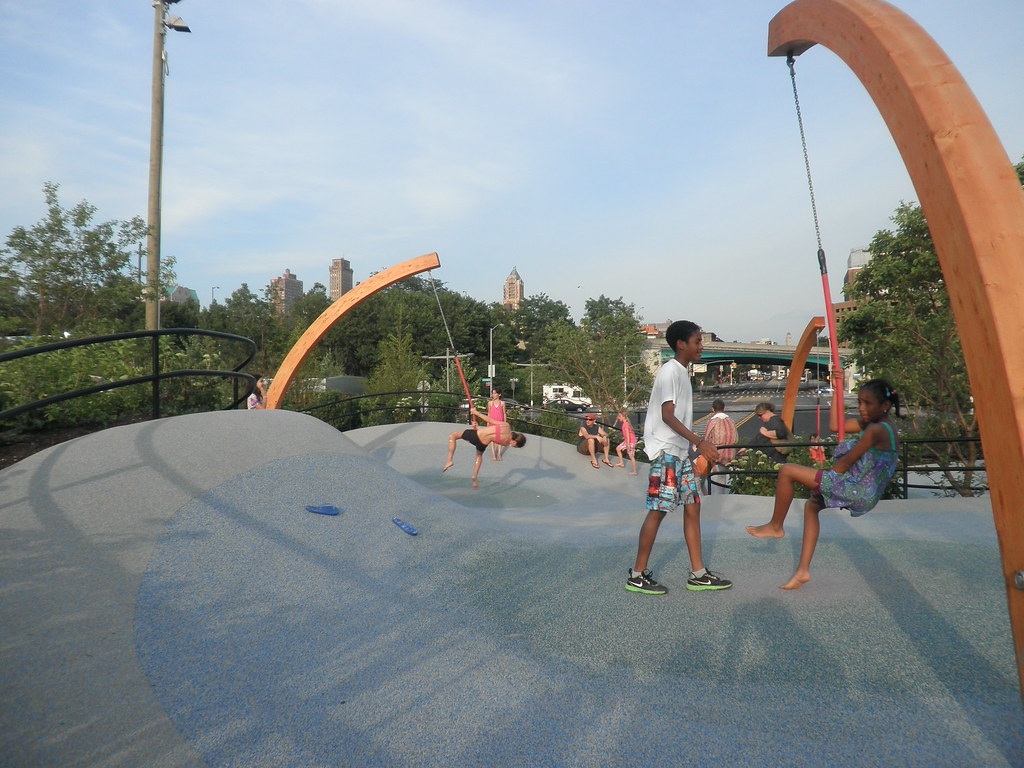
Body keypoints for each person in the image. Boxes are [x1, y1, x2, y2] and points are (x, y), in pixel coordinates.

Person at [745, 375, 900, 590]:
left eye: (868, 403)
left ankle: (775, 526)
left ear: (885, 406)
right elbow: (837, 426)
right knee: (812, 506)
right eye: (859, 402)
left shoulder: (877, 430)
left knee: (788, 471)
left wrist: (824, 478)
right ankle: (802, 572)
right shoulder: (882, 425)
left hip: (855, 488)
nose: (862, 408)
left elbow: (846, 462)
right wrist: (837, 389)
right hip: (864, 491)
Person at [626, 320, 732, 595]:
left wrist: (693, 449)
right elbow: (667, 415)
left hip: (681, 453)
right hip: (666, 452)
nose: (701, 346)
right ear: (681, 344)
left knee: (693, 507)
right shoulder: (670, 371)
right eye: (697, 341)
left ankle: (698, 574)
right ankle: (637, 575)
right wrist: (700, 442)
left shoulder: (682, 373)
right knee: (659, 510)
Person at [442, 406, 527, 489]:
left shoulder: (506, 426)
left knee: (453, 436)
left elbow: (490, 421)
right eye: (514, 446)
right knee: (479, 456)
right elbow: (491, 437)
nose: (512, 446)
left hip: (477, 436)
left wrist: (476, 413)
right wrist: (477, 427)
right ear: (515, 441)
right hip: (482, 443)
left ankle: (449, 460)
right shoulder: (505, 443)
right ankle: (474, 476)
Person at [701, 399, 739, 494]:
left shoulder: (712, 422)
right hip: (730, 454)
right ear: (724, 408)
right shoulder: (731, 421)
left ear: (713, 409)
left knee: (712, 478)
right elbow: (736, 439)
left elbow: (706, 438)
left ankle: (712, 497)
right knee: (724, 477)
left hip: (717, 455)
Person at [488, 389, 507, 462]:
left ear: (499, 394)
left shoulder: (502, 403)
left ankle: (499, 454)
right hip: (492, 422)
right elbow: (489, 413)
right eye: (492, 393)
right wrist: (488, 422)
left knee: (500, 438)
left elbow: (504, 413)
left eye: (495, 393)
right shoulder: (490, 403)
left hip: (500, 422)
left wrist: (505, 422)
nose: (493, 395)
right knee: (492, 438)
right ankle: (493, 454)